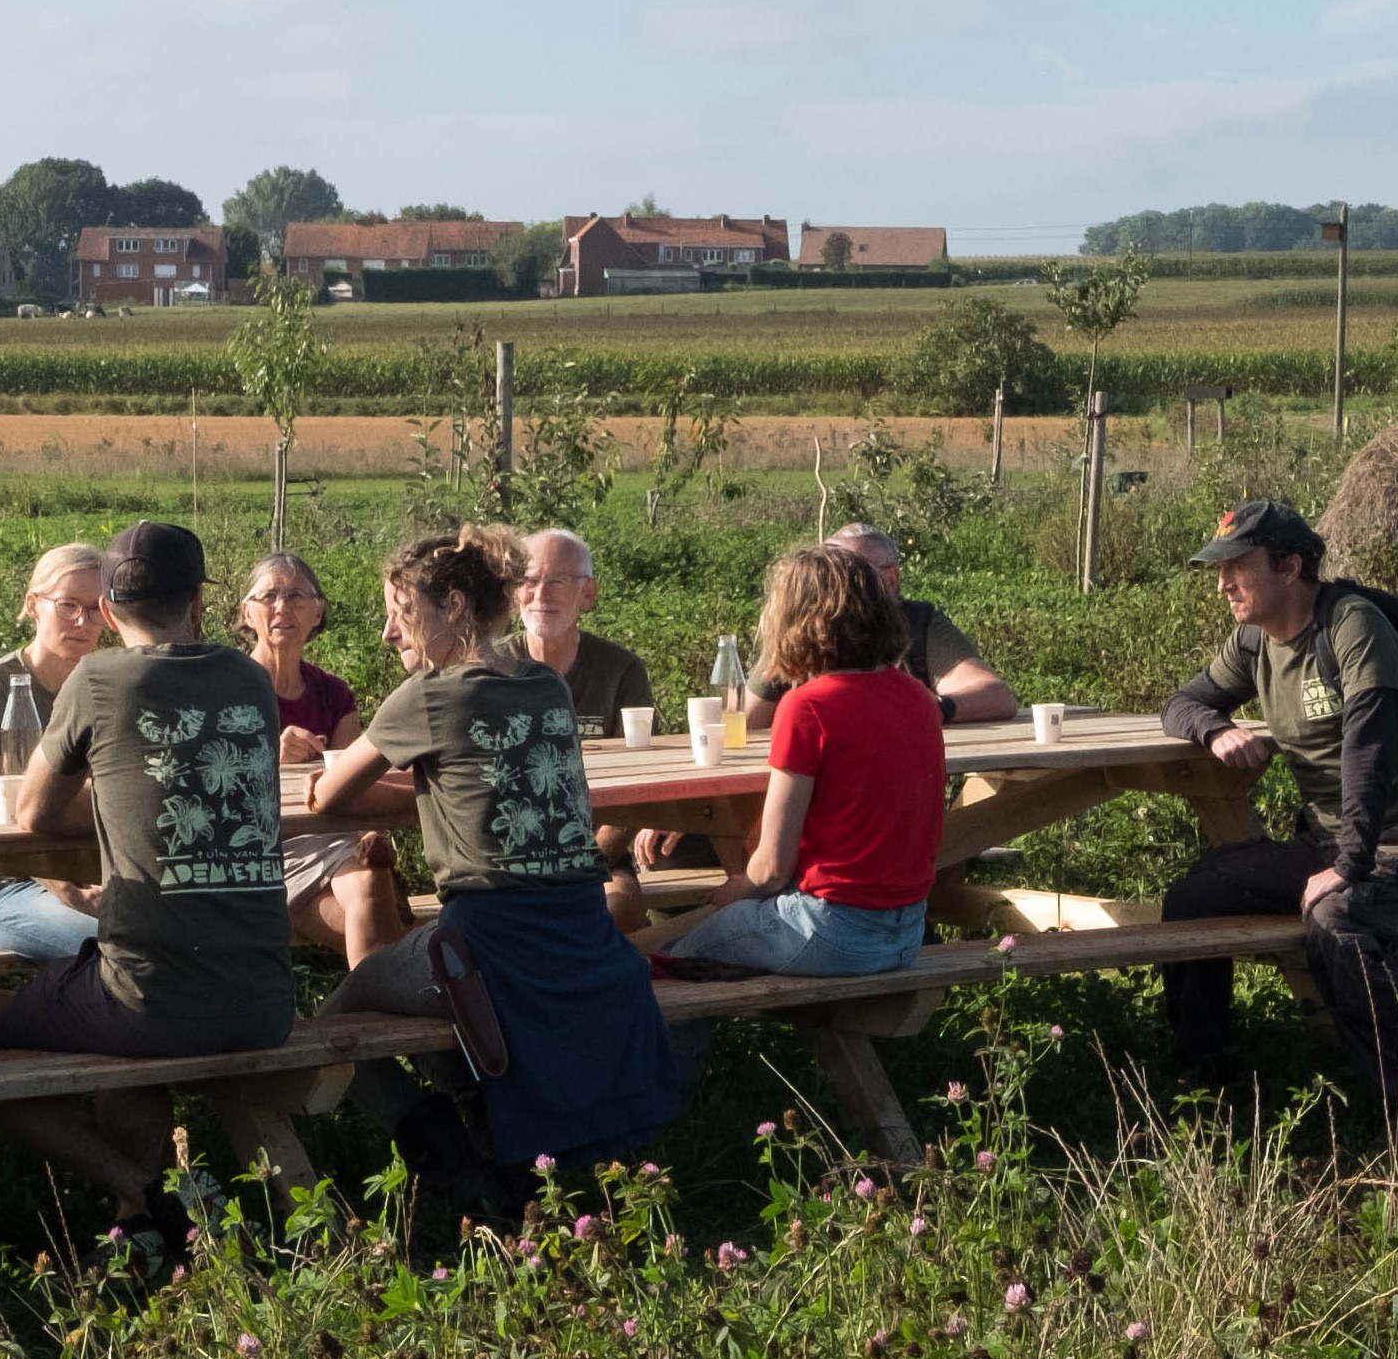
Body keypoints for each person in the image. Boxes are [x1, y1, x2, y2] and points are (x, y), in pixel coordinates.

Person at [313, 527, 686, 1259]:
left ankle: (457, 1170)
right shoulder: (545, 685)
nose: (390, 632)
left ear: (454, 605)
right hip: (579, 932)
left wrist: (397, 778)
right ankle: (492, 1137)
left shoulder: (426, 695)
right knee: (451, 1009)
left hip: (487, 942)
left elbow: (331, 795)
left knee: (338, 1018)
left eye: (400, 611)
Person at [0, 521, 298, 1267]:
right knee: (122, 1006)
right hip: (267, 1001)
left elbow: (32, 813)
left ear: (106, 609)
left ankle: (145, 1192)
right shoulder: (248, 679)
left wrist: (118, 800)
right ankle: (141, 1222)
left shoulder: (97, 680)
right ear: (198, 603)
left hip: (148, 1000)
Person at [1148, 499, 1398, 1140]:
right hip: (1330, 843)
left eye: (1237, 568)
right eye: (1218, 571)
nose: (1222, 585)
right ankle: (1206, 1084)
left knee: (1338, 917)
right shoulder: (1255, 641)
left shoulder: (1352, 626)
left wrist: (1350, 865)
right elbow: (1182, 702)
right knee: (1195, 896)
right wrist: (1214, 728)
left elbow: (1368, 752)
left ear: (1289, 566)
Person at [650, 544, 945, 976]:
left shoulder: (808, 706)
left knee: (670, 962)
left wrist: (736, 894)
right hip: (907, 933)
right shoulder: (918, 697)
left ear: (794, 621)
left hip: (830, 931)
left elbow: (771, 867)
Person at [235, 552, 407, 964]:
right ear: (247, 612)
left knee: (369, 885)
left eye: (296, 596)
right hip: (264, 849)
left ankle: (376, 993)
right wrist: (271, 759)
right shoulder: (226, 689)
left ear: (317, 612)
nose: (282, 607)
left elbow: (352, 781)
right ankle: (388, 989)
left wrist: (370, 833)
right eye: (269, 596)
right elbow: (212, 789)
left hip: (333, 839)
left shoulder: (334, 694)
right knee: (383, 915)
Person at [0, 543, 118, 962]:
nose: (82, 621)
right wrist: (64, 887)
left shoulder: (115, 685)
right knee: (117, 951)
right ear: (33, 605)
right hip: (10, 884)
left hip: (107, 873)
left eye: (95, 608)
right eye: (67, 605)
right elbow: (3, 813)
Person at [506, 528, 666, 933]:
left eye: (558, 581)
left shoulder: (621, 671)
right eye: (529, 581)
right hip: (507, 860)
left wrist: (581, 865)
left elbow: (641, 783)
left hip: (597, 855)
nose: (541, 594)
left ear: (588, 593)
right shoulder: (487, 671)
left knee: (616, 911)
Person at [827, 524, 1024, 724]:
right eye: (827, 572)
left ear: (891, 579)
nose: (838, 583)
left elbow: (996, 696)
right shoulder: (812, 629)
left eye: (855, 572)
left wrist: (932, 708)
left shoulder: (919, 623)